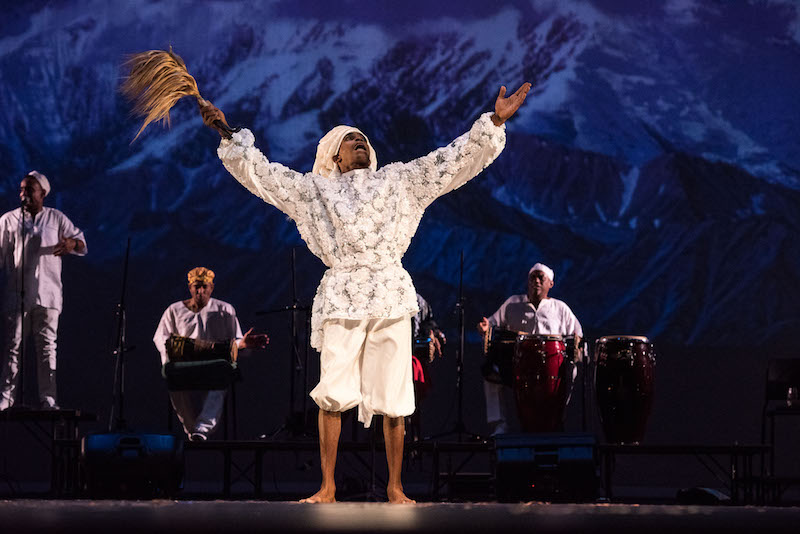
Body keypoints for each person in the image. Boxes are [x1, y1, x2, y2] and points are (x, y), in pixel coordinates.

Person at [200, 81, 531, 503]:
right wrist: (228, 135)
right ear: (333, 155)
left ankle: (395, 487)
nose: (359, 143)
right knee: (332, 393)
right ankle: (327, 486)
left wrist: (495, 121)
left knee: (394, 395)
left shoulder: (398, 180)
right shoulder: (314, 191)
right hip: (342, 297)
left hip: (390, 295)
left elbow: (450, 161)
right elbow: (265, 175)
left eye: (362, 140)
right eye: (349, 140)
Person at [0, 171, 87, 411]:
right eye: (21, 189)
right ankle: (6, 398)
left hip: (48, 293)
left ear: (43, 193)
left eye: (28, 190)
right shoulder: (8, 220)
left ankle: (48, 399)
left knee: (47, 347)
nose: (23, 194)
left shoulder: (56, 218)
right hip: (16, 293)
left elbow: (81, 244)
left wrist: (71, 243)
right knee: (12, 346)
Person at [153, 267, 268, 441]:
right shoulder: (174, 310)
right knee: (173, 378)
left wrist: (243, 343)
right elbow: (161, 338)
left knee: (221, 377)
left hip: (213, 363)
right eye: (196, 286)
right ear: (190, 287)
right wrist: (172, 356)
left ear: (211, 287)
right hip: (185, 362)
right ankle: (192, 429)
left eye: (204, 286)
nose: (200, 291)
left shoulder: (225, 309)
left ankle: (202, 428)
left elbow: (234, 340)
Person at [477, 263, 582, 435]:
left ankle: (557, 419)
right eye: (533, 277)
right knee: (490, 371)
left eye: (542, 277)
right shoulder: (512, 304)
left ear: (551, 284)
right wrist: (485, 327)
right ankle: (499, 424)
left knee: (572, 370)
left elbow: (577, 336)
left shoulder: (560, 308)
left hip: (550, 367)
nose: (537, 281)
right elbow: (491, 324)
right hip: (520, 365)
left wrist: (578, 352)